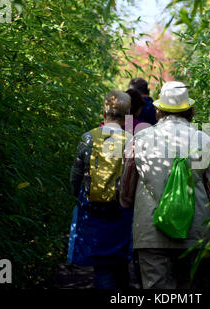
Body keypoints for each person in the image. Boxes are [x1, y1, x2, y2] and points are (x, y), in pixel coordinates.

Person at [119, 81, 210, 289]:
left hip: (150, 230)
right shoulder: (205, 141)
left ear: (159, 111)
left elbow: (126, 192)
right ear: (190, 111)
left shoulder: (139, 140)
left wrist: (128, 203)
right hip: (195, 229)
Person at [68, 90, 133, 289]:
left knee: (102, 265)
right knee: (120, 261)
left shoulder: (89, 138)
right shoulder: (131, 140)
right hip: (121, 210)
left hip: (93, 208)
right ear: (127, 117)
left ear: (104, 114)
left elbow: (76, 173)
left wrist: (76, 196)